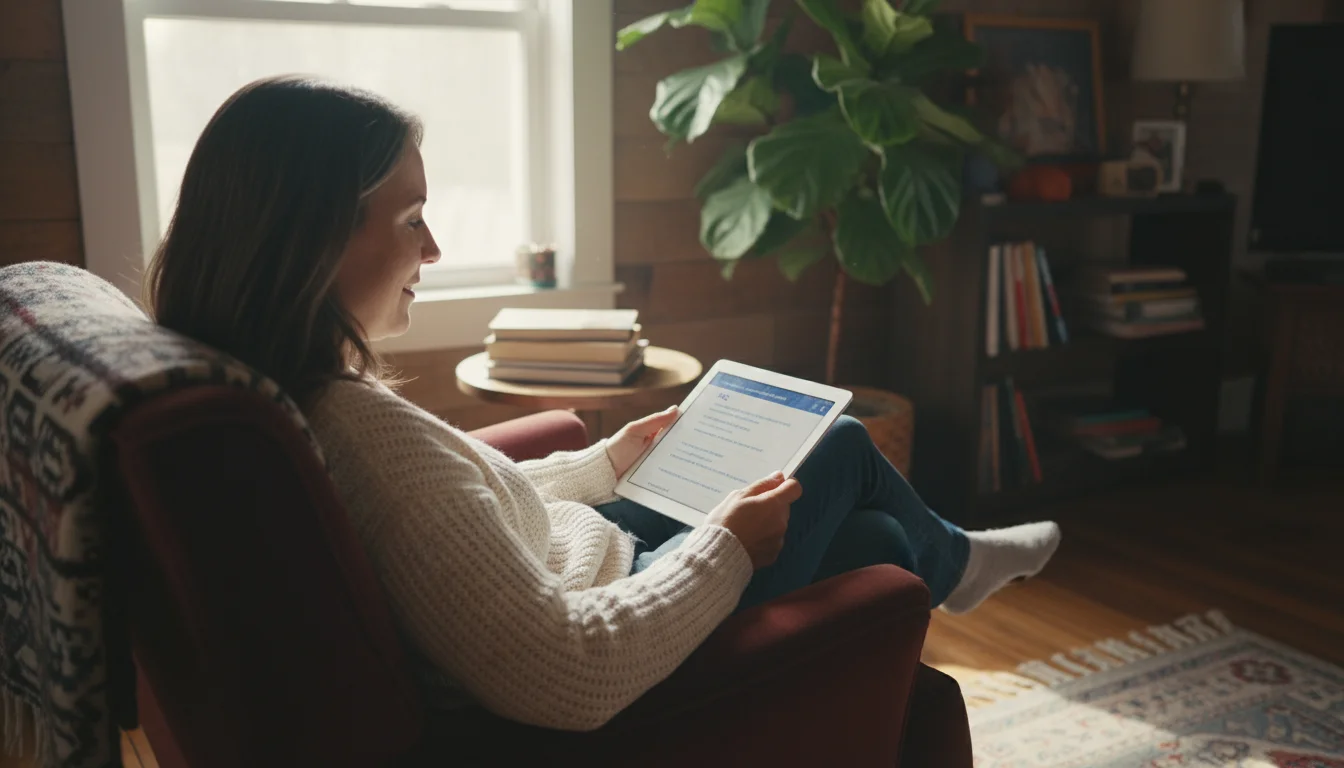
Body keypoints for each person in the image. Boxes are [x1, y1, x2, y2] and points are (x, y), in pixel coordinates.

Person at [146, 76, 1061, 732]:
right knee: (845, 454)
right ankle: (960, 564)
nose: (433, 248)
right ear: (313, 238)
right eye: (410, 218)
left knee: (872, 537)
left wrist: (605, 463)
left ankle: (944, 564)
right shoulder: (363, 435)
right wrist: (726, 546)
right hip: (622, 608)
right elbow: (568, 674)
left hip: (596, 553)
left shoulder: (304, 394)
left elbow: (461, 517)